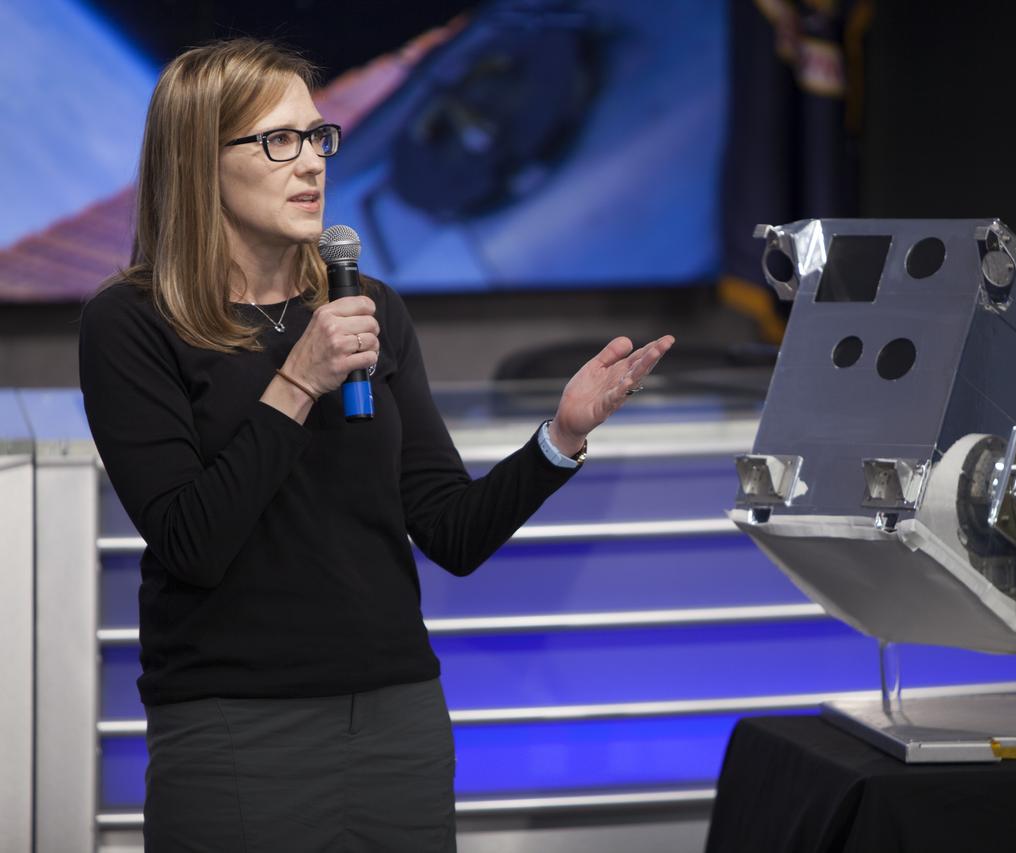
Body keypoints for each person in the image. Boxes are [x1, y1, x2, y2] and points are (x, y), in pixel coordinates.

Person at [78, 38, 673, 852]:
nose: (311, 163)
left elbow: (448, 530)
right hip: (234, 727)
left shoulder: (369, 307)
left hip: (398, 721)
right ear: (197, 161)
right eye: (277, 141)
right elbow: (191, 542)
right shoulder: (133, 323)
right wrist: (296, 381)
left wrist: (560, 435)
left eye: (317, 137)